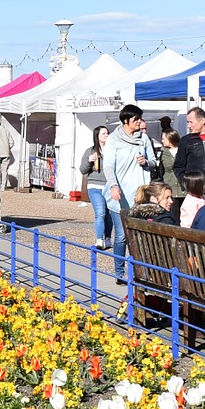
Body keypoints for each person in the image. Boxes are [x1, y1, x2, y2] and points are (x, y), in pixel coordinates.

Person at [102, 104, 160, 281]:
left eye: (140, 119)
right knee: (121, 235)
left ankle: (137, 272)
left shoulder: (144, 138)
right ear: (126, 120)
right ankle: (119, 272)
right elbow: (108, 165)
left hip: (140, 194)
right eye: (136, 119)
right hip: (119, 194)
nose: (139, 122)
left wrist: (146, 162)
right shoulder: (113, 140)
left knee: (138, 235)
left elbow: (154, 162)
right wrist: (113, 185)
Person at [81, 125, 112, 251]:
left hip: (109, 185)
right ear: (97, 136)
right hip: (95, 185)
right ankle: (99, 239)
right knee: (100, 213)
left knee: (109, 214)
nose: (106, 135)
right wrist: (89, 161)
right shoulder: (90, 151)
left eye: (107, 133)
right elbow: (82, 170)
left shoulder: (112, 150)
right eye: (103, 133)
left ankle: (108, 238)